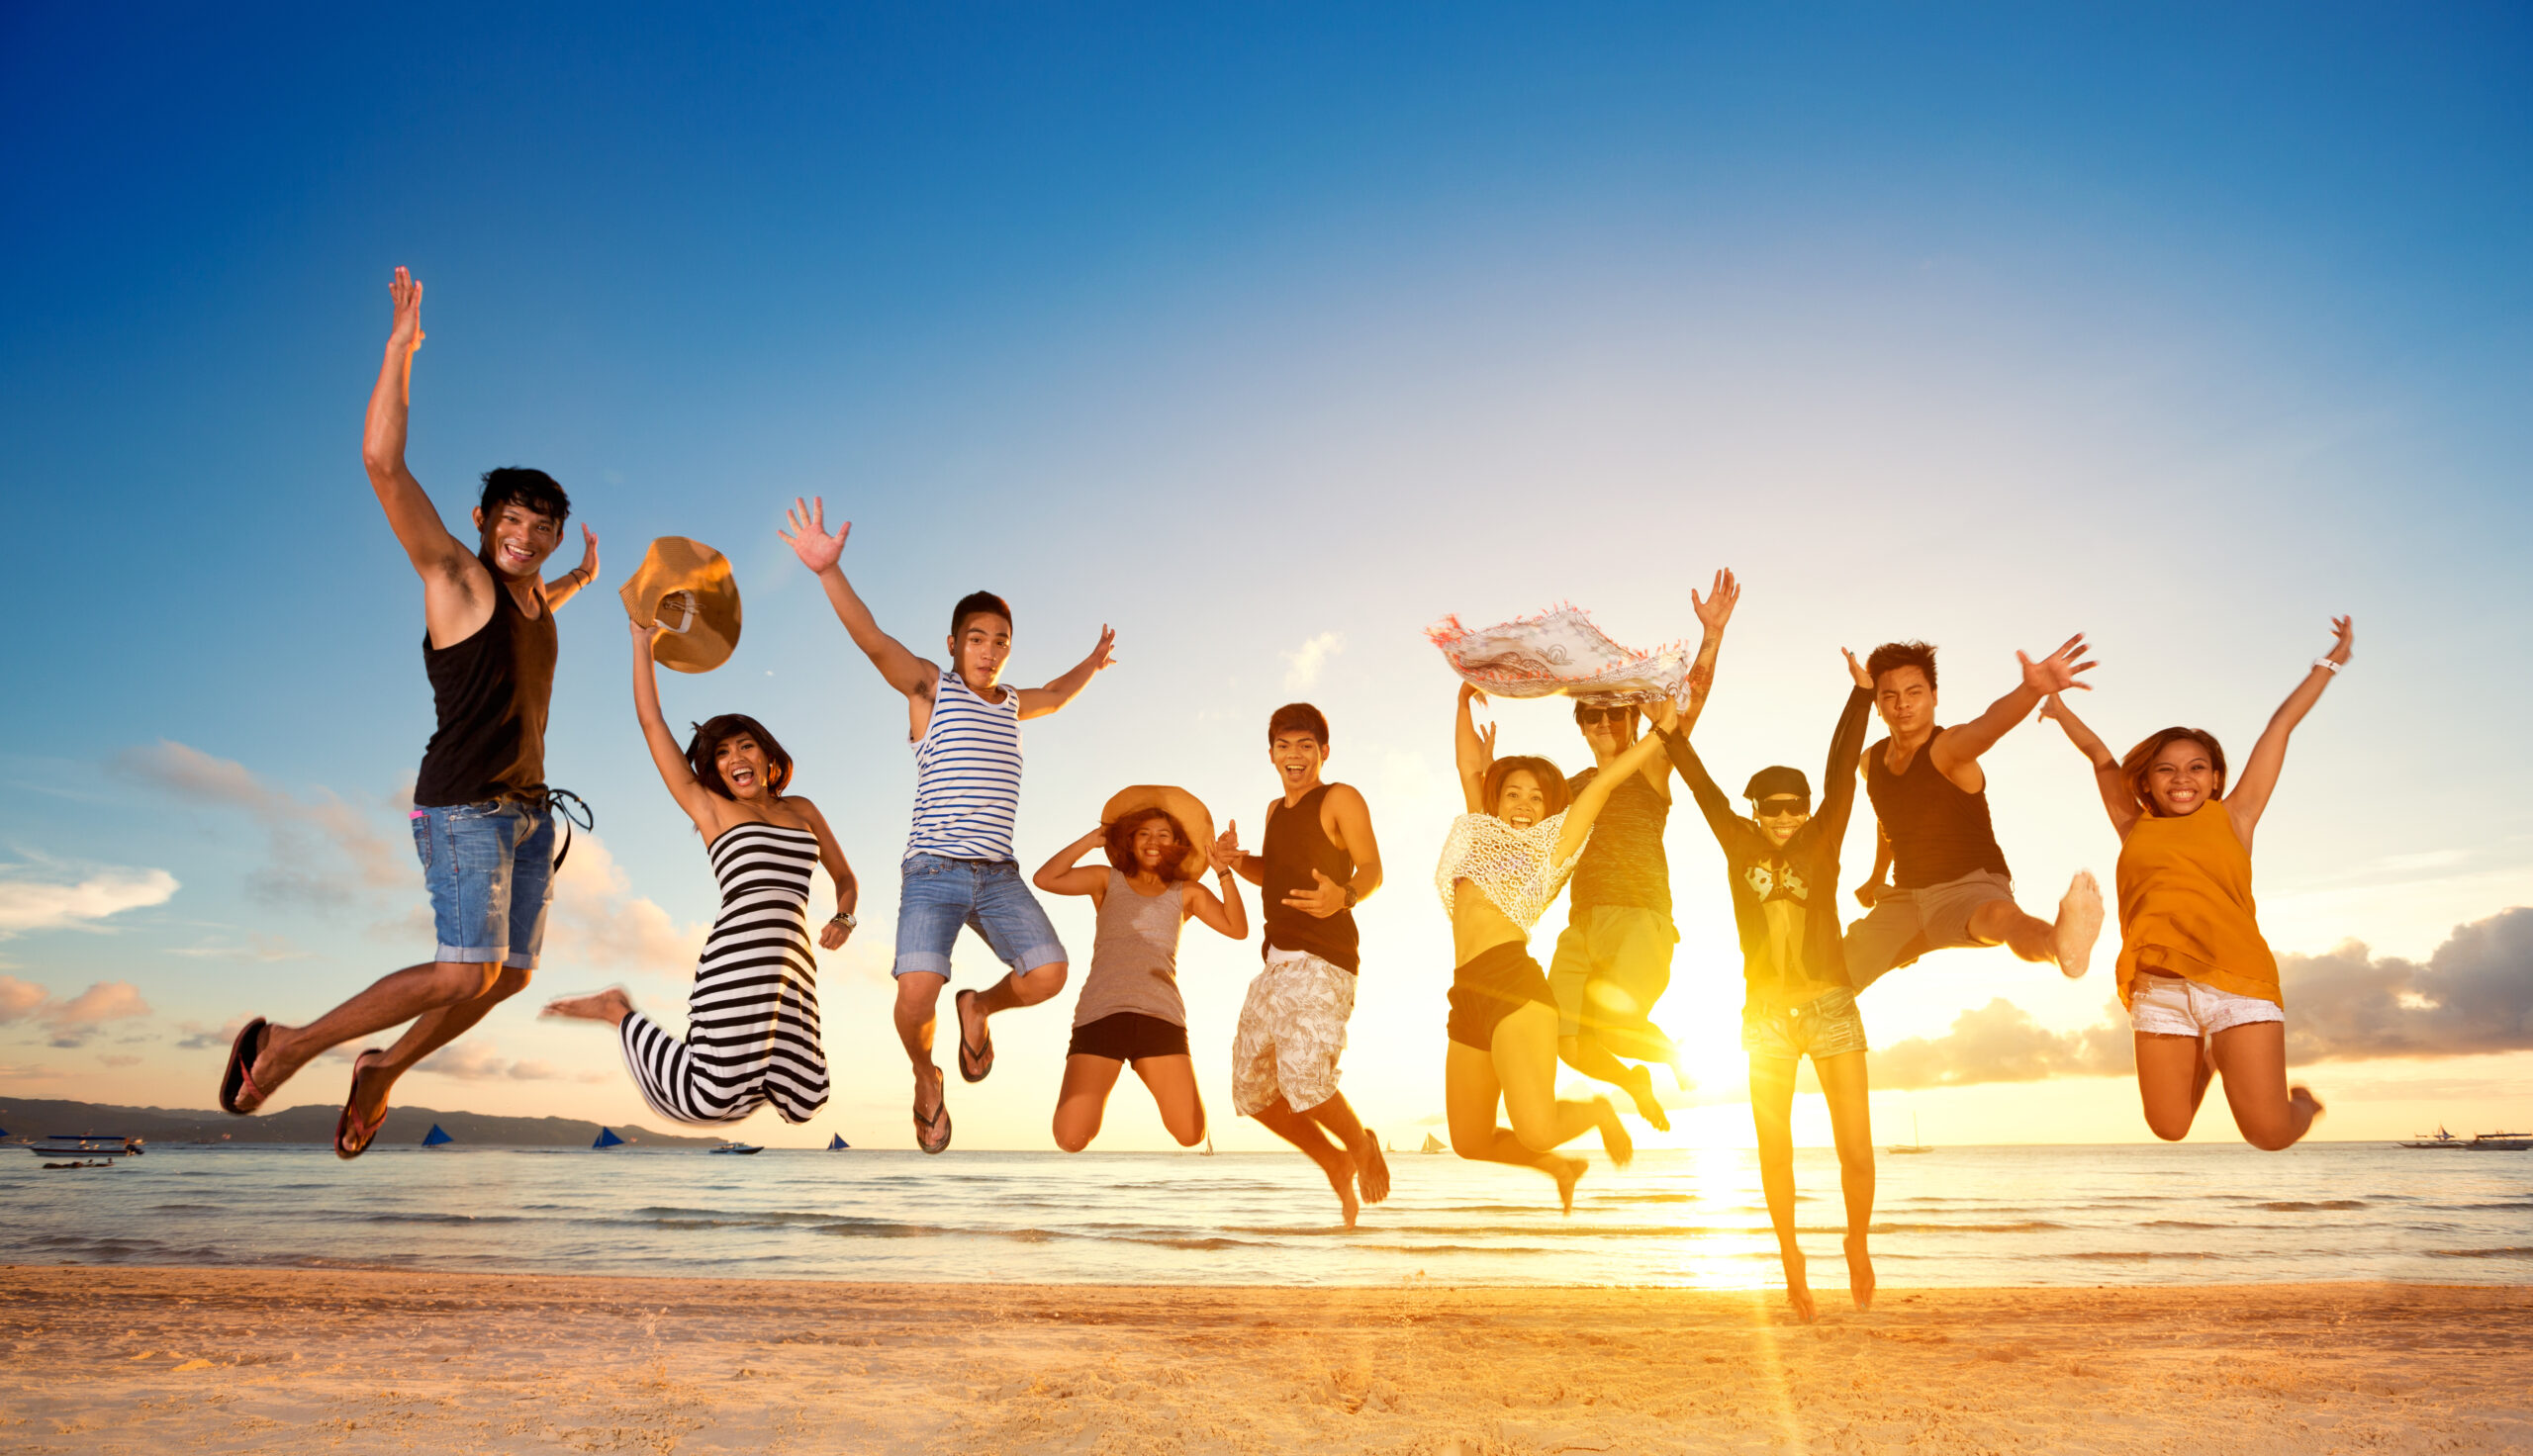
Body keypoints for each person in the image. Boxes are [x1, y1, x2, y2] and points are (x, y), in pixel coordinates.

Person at [220, 266, 602, 1159]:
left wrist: (584, 578)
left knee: (507, 979)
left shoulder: (538, 599)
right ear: (482, 520)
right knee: (462, 969)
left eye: (543, 526)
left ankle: (382, 1070)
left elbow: (544, 610)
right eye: (514, 519)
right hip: (466, 804)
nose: (528, 536)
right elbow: (382, 466)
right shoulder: (457, 579)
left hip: (531, 815)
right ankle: (290, 1047)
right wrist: (398, 351)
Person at [780, 497, 1116, 1152]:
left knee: (1048, 973)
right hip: (933, 871)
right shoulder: (934, 690)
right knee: (915, 994)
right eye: (978, 639)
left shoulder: (1015, 705)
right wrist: (828, 573)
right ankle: (925, 1077)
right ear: (954, 643)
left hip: (998, 877)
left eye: (1001, 643)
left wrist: (1093, 661)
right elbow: (873, 641)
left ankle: (981, 1008)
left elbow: (1058, 690)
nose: (989, 652)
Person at [2035, 618, 2352, 1150]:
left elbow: (2279, 728)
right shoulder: (2132, 824)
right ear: (2148, 781)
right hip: (2160, 992)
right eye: (2166, 769)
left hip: (2236, 985)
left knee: (2270, 1135)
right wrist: (2059, 707)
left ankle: (2304, 1104)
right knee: (2169, 1127)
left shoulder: (2237, 817)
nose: (2182, 778)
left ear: (2215, 778)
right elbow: (2100, 757)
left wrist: (2331, 661)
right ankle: (2210, 1053)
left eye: (2196, 767)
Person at [540, 618, 857, 1126]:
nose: (735, 758)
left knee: (808, 1101)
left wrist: (844, 917)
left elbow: (845, 878)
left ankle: (748, 1073)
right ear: (715, 768)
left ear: (767, 753)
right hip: (735, 959)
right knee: (707, 1098)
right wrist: (642, 643)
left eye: (745, 745)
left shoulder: (803, 810)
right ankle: (617, 1011)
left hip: (792, 965)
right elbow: (652, 723)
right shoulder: (710, 808)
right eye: (723, 753)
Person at [1661, 650, 1879, 1321]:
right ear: (1755, 810)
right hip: (1764, 1017)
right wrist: (1668, 733)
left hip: (1831, 1005)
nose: (1786, 818)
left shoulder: (1823, 840)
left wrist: (1862, 697)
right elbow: (1702, 791)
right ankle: (1791, 1260)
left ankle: (1857, 1241)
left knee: (1856, 1149)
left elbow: (1842, 770)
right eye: (1773, 809)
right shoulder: (1740, 843)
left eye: (1796, 807)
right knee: (1774, 1146)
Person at [1440, 682, 1669, 1211]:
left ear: (1550, 809)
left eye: (1536, 797)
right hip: (1467, 994)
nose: (1523, 805)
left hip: (1517, 991)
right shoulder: (1480, 835)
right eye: (1513, 794)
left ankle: (1598, 1111)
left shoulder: (1552, 849)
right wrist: (1461, 704)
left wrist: (1662, 731)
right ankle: (1561, 1167)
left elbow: (1605, 782)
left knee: (1537, 1128)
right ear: (1497, 801)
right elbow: (1468, 769)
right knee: (1470, 1141)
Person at [1550, 570, 1737, 1128]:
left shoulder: (1652, 764)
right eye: (1594, 715)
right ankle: (1633, 1080)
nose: (1606, 723)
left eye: (1616, 713)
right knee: (1565, 1040)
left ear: (1634, 719)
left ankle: (1672, 1054)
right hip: (1580, 922)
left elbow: (1690, 703)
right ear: (1581, 724)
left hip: (1640, 917)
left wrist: (1711, 636)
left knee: (1614, 1028)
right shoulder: (1571, 785)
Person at [1843, 636, 2106, 989]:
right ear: (1877, 703)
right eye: (1890, 696)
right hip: (1905, 897)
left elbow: (1989, 724)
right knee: (1832, 974)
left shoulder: (1949, 748)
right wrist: (1878, 876)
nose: (1902, 705)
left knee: (2002, 918)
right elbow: (1888, 817)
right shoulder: (1870, 762)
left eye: (1914, 692)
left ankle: (2059, 946)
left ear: (1934, 696)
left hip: (1968, 888)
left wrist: (2031, 690)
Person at [1217, 703, 1391, 1227]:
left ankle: (1360, 1146)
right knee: (1249, 1090)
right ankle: (1334, 1161)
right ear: (1271, 754)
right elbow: (1272, 873)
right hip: (1275, 965)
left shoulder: (1340, 798)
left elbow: (1373, 866)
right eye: (1285, 747)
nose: (1295, 756)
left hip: (1325, 960)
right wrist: (1232, 862)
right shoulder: (1274, 810)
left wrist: (1347, 895)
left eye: (1305, 746)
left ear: (1323, 752)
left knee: (1306, 1082)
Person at [1033, 790, 1247, 1151]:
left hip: (1160, 1017)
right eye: (1143, 833)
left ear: (1177, 844)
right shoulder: (1107, 879)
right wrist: (1093, 839)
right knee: (1070, 1138)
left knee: (1190, 1134)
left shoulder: (1187, 892)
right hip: (1101, 1013)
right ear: (1130, 841)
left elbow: (1237, 928)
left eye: (1163, 834)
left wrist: (1222, 871)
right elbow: (1045, 878)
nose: (1153, 841)